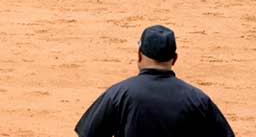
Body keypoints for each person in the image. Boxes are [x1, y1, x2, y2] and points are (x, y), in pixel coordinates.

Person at [75, 24, 236, 137]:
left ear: (139, 55)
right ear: (174, 59)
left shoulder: (119, 94)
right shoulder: (197, 99)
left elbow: (89, 133)